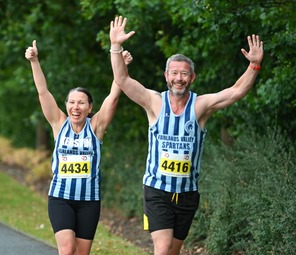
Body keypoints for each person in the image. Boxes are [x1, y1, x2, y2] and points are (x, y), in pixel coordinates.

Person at [109, 16, 264, 255]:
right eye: (174, 73)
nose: (178, 78)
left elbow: (235, 92)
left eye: (184, 74)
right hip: (157, 190)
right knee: (162, 249)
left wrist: (253, 65)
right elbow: (122, 79)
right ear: (166, 76)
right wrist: (116, 47)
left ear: (192, 78)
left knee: (172, 251)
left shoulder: (200, 106)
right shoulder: (154, 102)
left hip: (187, 194)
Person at [25, 40, 132, 255]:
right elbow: (43, 92)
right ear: (66, 105)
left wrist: (122, 65)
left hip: (89, 201)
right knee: (66, 250)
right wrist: (35, 61)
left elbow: (113, 96)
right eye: (72, 102)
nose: (76, 107)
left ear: (90, 107)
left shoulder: (96, 127)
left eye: (81, 103)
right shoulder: (58, 123)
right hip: (60, 198)